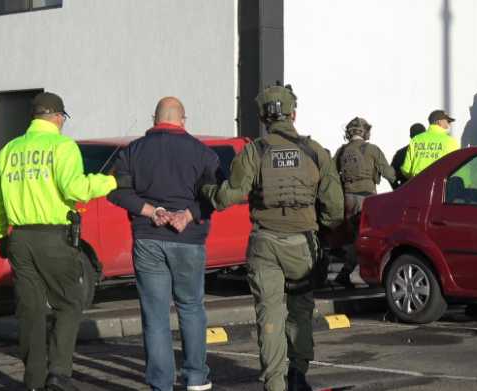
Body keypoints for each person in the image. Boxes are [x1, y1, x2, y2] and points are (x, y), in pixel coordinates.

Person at [203, 84, 343, 391]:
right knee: (301, 311)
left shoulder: (255, 151)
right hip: (303, 244)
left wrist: (206, 190)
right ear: (293, 113)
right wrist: (320, 227)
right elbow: (335, 207)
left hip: (265, 243)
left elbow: (228, 197)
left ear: (264, 118)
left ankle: (275, 384)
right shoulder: (315, 151)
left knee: (270, 316)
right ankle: (298, 374)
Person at [0, 92, 126, 391]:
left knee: (30, 312)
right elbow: (75, 189)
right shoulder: (62, 146)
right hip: (52, 236)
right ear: (59, 117)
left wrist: (0, 234)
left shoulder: (9, 150)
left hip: (19, 239)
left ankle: (34, 381)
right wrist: (111, 181)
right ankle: (59, 374)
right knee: (69, 302)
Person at [107, 97, 217, 391]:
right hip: (188, 240)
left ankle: (161, 384)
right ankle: (196, 378)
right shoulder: (202, 152)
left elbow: (115, 192)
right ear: (184, 119)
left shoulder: (133, 151)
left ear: (153, 119)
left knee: (155, 315)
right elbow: (220, 193)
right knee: (191, 307)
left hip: (148, 237)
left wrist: (150, 211)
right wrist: (190, 214)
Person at [333, 117, 396, 288]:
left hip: (347, 198)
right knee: (364, 237)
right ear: (365, 132)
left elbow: (330, 175)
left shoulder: (341, 151)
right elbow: (389, 173)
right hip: (367, 199)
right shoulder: (372, 150)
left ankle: (349, 273)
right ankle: (353, 273)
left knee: (355, 236)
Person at [401, 110, 460, 179]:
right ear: (439, 122)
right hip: (439, 185)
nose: (448, 124)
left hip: (417, 184)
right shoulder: (450, 141)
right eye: (447, 121)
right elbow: (456, 167)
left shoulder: (416, 140)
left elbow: (406, 169)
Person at [390, 123, 426, 189]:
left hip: (406, 191)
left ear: (410, 136)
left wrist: (398, 189)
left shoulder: (400, 153)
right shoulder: (431, 152)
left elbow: (390, 174)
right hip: (427, 190)